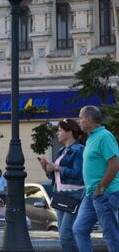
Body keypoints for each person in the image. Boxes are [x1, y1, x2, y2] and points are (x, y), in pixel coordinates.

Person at [74, 105, 119, 252]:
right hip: (91, 194)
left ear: (89, 119)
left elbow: (114, 164)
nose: (79, 121)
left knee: (112, 235)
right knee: (79, 229)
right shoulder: (91, 138)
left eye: (81, 117)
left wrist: (100, 189)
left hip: (106, 193)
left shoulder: (104, 136)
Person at [38, 118, 84, 252]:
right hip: (60, 195)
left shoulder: (79, 150)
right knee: (63, 235)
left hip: (74, 195)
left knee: (66, 234)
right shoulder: (61, 151)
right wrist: (47, 169)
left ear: (69, 133)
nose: (57, 133)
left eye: (60, 130)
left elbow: (78, 174)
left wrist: (56, 167)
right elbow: (55, 177)